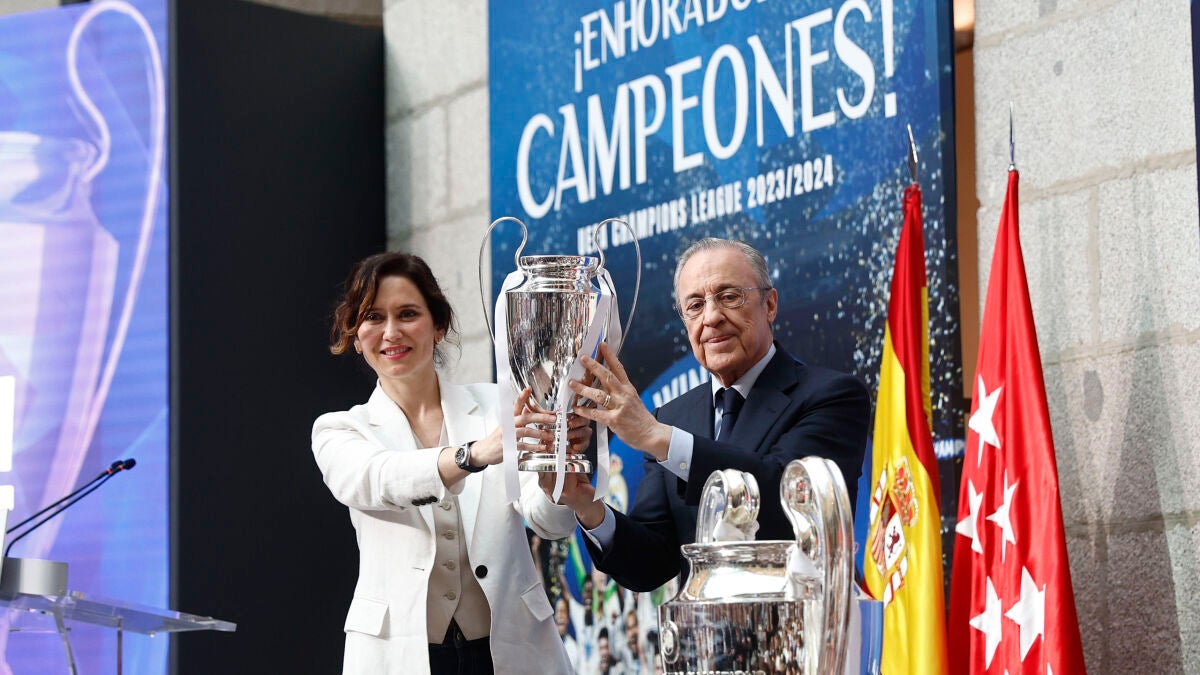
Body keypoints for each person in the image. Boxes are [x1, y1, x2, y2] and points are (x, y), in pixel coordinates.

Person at [312, 251, 589, 675]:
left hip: (510, 650)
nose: (391, 332)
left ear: (438, 325)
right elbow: (379, 480)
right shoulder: (340, 429)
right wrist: (471, 455)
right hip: (400, 657)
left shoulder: (498, 407)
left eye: (408, 314)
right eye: (373, 317)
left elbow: (550, 524)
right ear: (354, 333)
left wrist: (557, 481)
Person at [547, 237, 871, 592]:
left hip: (800, 622)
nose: (712, 317)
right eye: (695, 305)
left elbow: (794, 505)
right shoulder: (673, 417)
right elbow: (650, 565)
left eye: (729, 297)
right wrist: (589, 508)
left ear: (770, 305)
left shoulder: (832, 396)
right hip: (705, 627)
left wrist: (661, 439)